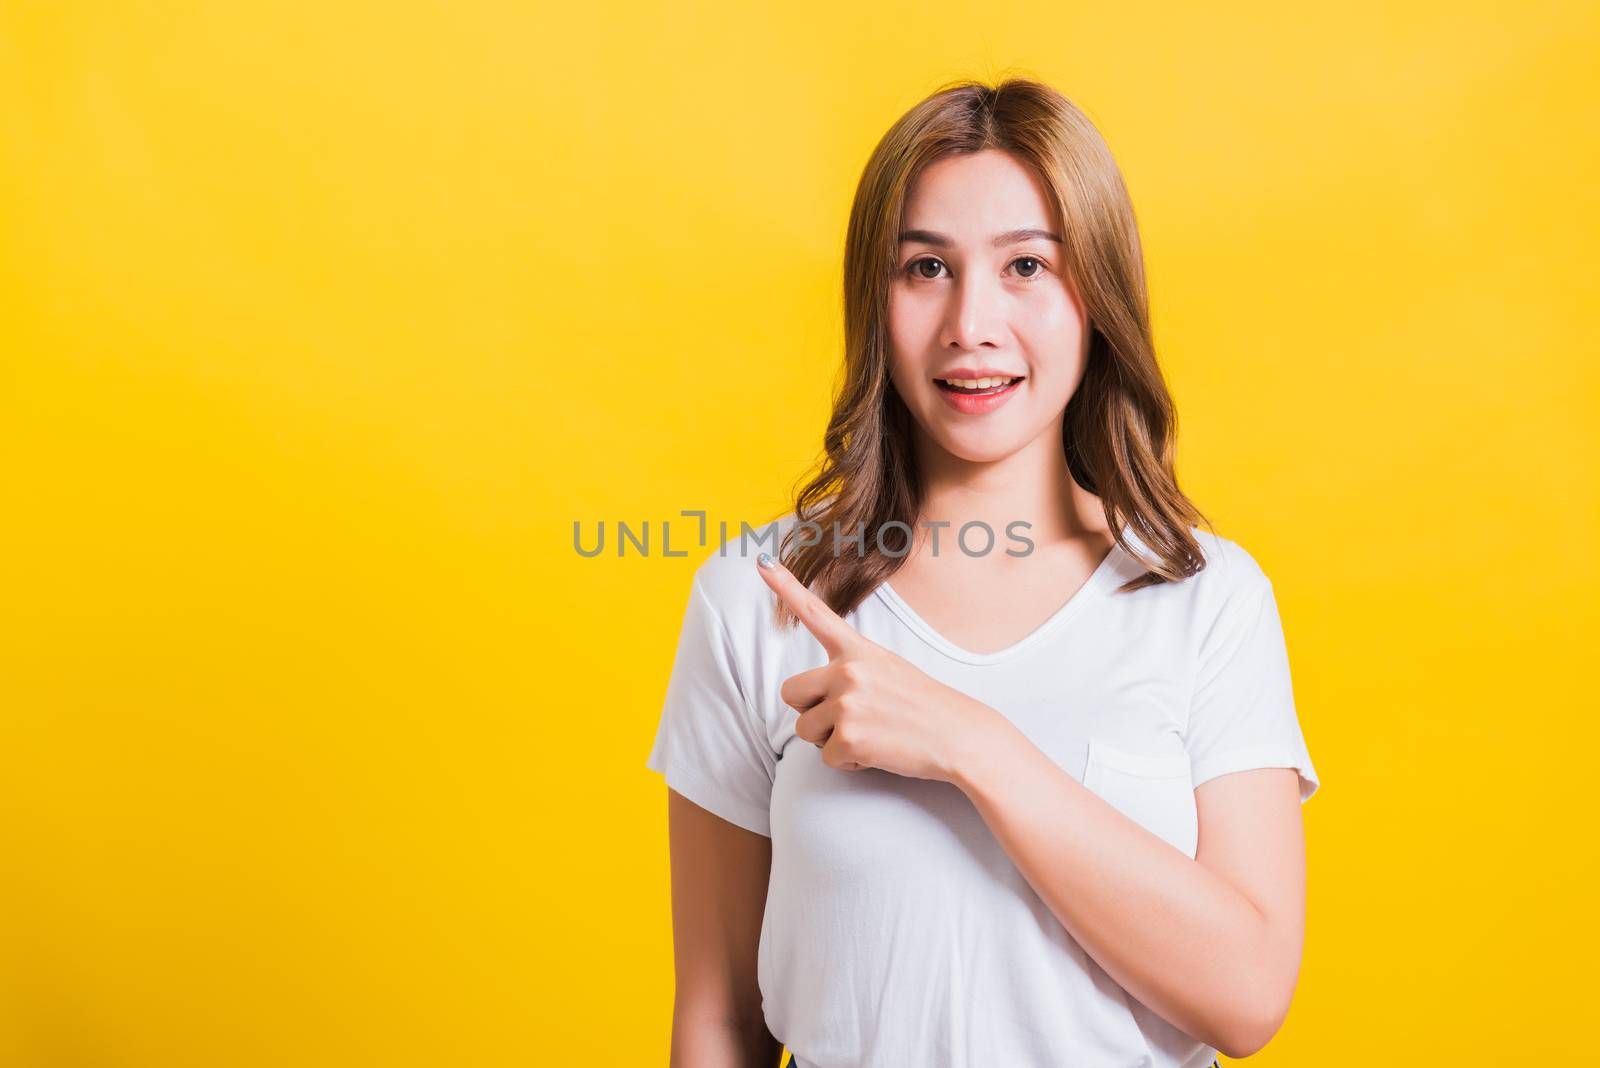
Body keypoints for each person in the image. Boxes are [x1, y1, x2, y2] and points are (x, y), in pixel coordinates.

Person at [645, 76, 1320, 1068]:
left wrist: (970, 743)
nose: (971, 321)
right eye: (925, 266)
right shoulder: (759, 600)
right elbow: (716, 1019)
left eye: (1026, 268)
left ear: (1097, 296)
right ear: (874, 300)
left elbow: (1248, 996)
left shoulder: (1204, 599)